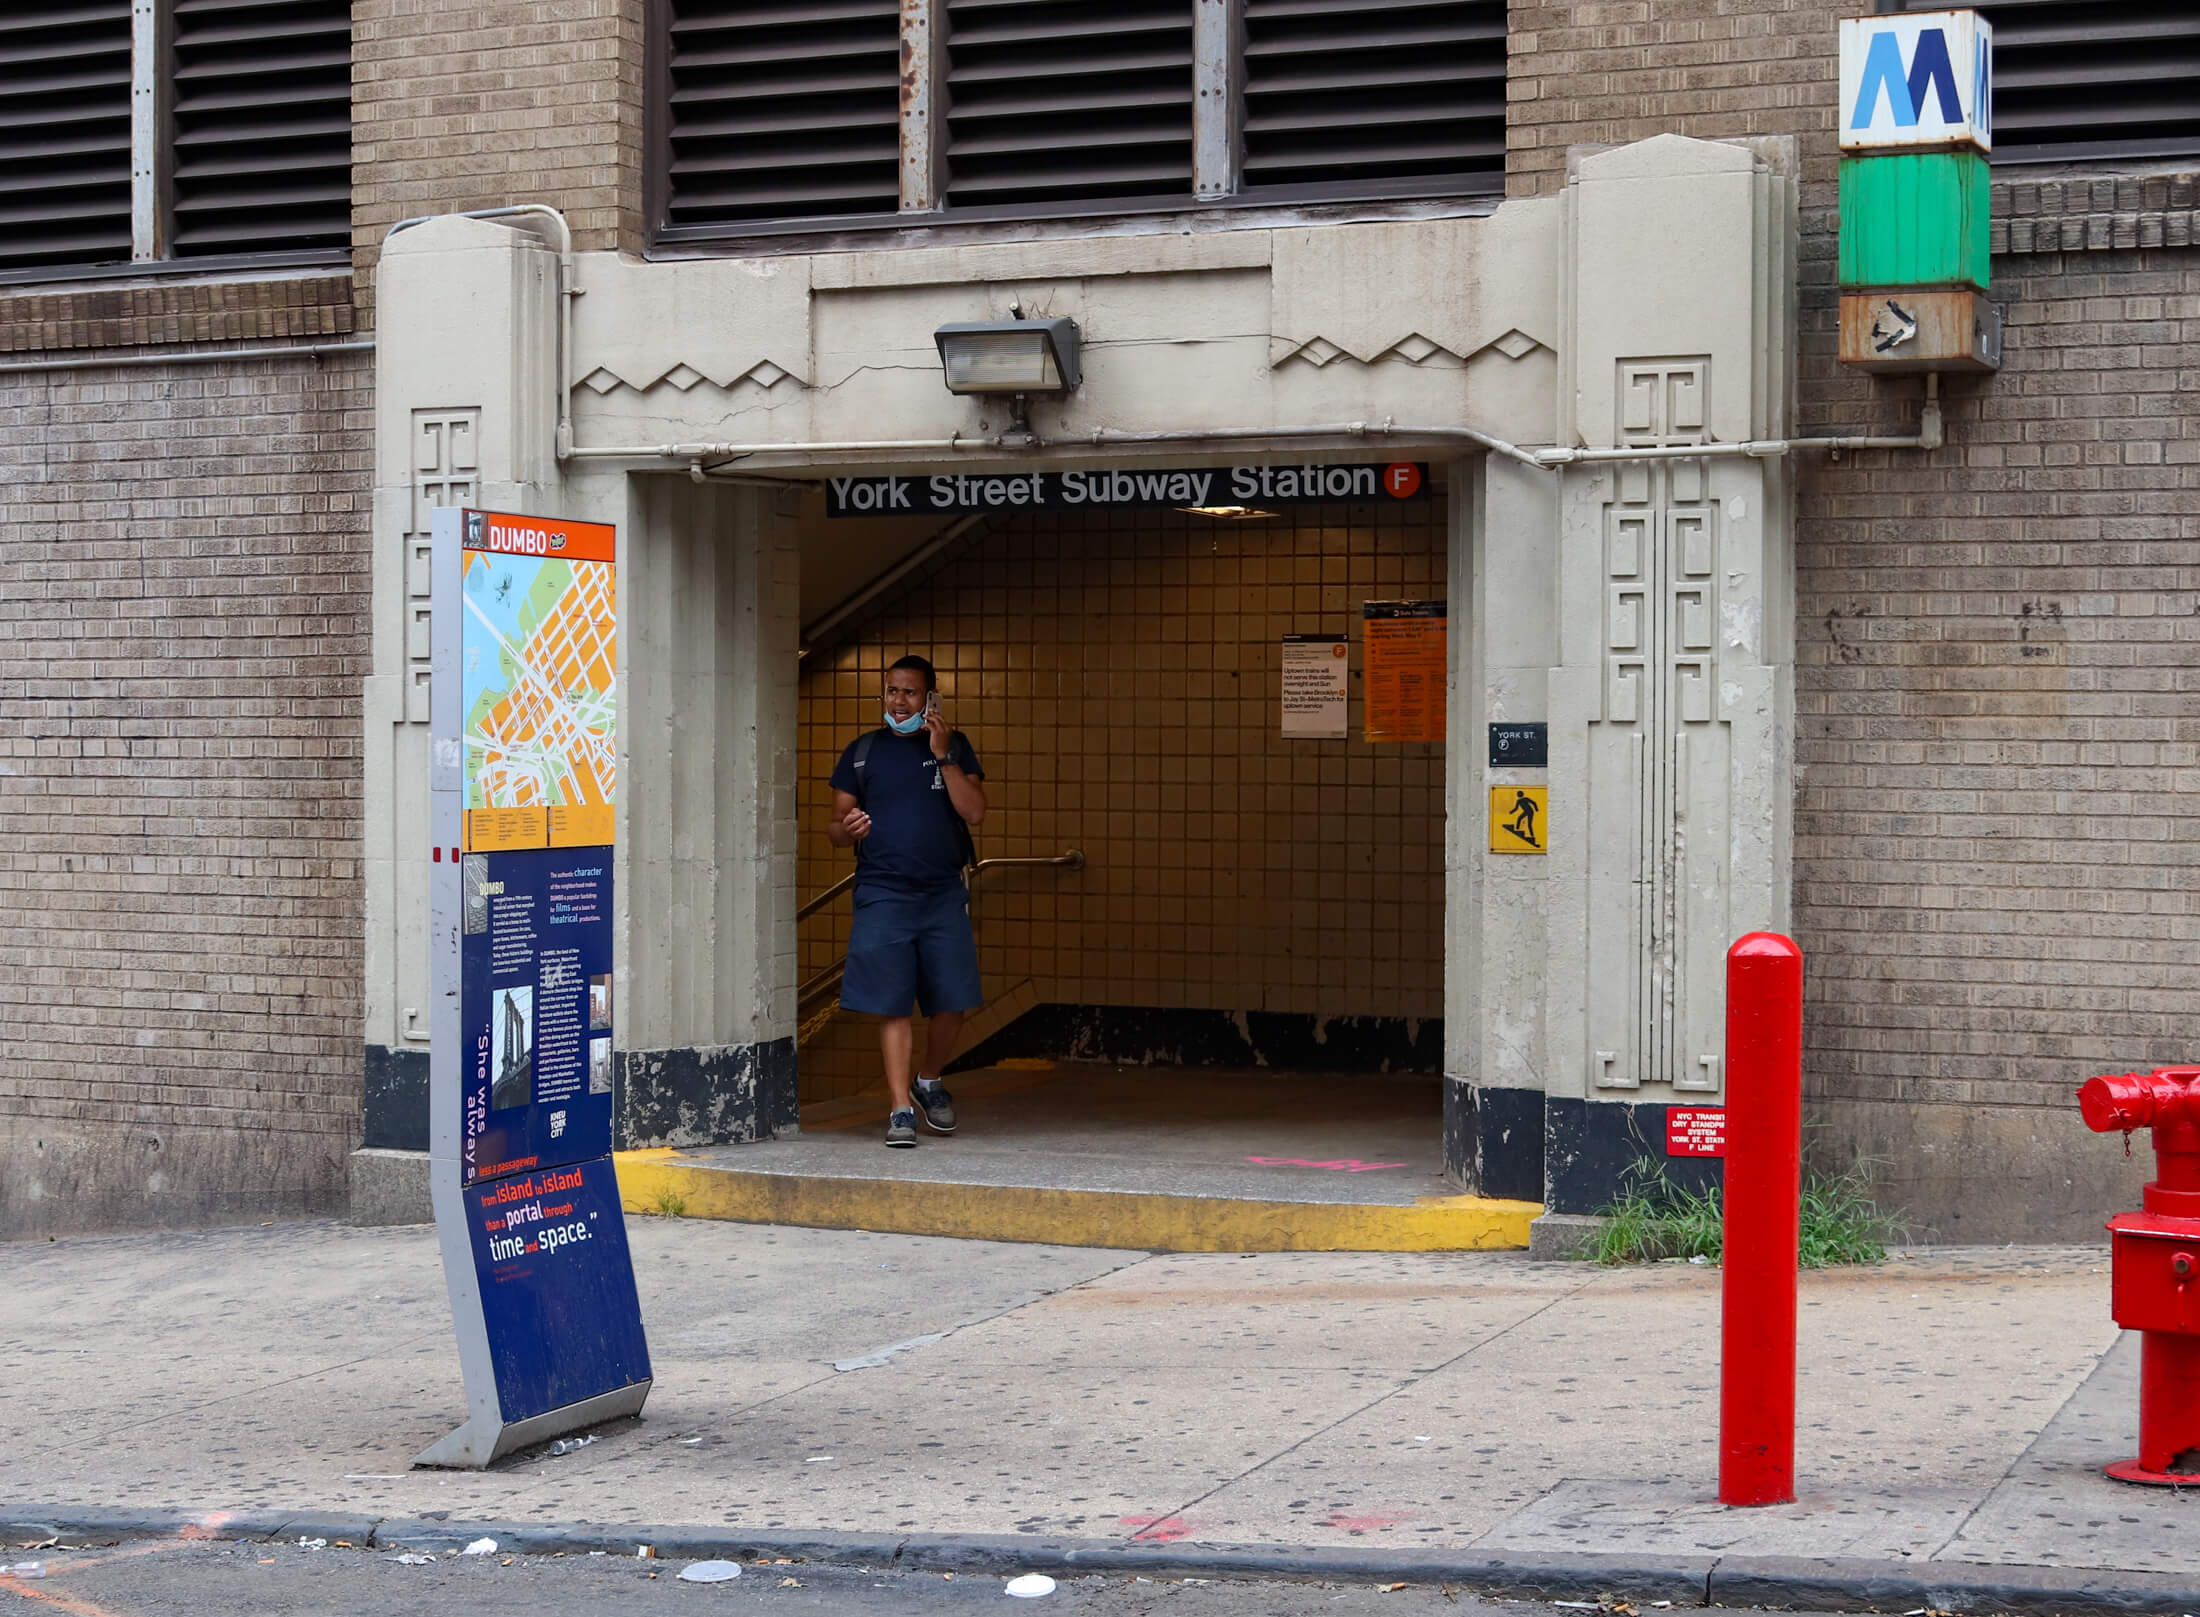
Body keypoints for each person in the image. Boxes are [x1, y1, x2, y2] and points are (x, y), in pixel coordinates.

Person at [825, 654, 987, 1147]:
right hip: (883, 891)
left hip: (941, 892)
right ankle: (899, 1108)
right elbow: (835, 827)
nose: (899, 701)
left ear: (930, 698)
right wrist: (845, 829)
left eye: (910, 692)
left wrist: (943, 754)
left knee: (954, 1001)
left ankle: (928, 1080)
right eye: (892, 691)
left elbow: (975, 812)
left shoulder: (954, 747)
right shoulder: (862, 752)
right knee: (891, 1001)